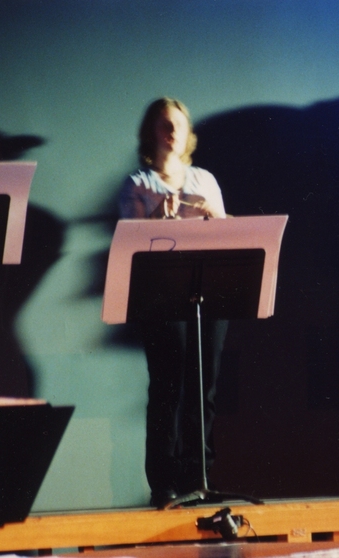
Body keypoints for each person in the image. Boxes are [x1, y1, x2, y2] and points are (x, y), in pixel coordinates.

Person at [119, 97, 229, 507]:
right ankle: (164, 482)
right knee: (169, 387)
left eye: (178, 124)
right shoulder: (138, 184)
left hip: (207, 294)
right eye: (163, 124)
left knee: (205, 387)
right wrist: (155, 224)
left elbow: (230, 236)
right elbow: (128, 244)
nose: (171, 131)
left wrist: (213, 220)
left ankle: (197, 476)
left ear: (187, 133)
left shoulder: (204, 180)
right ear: (151, 133)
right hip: (161, 297)